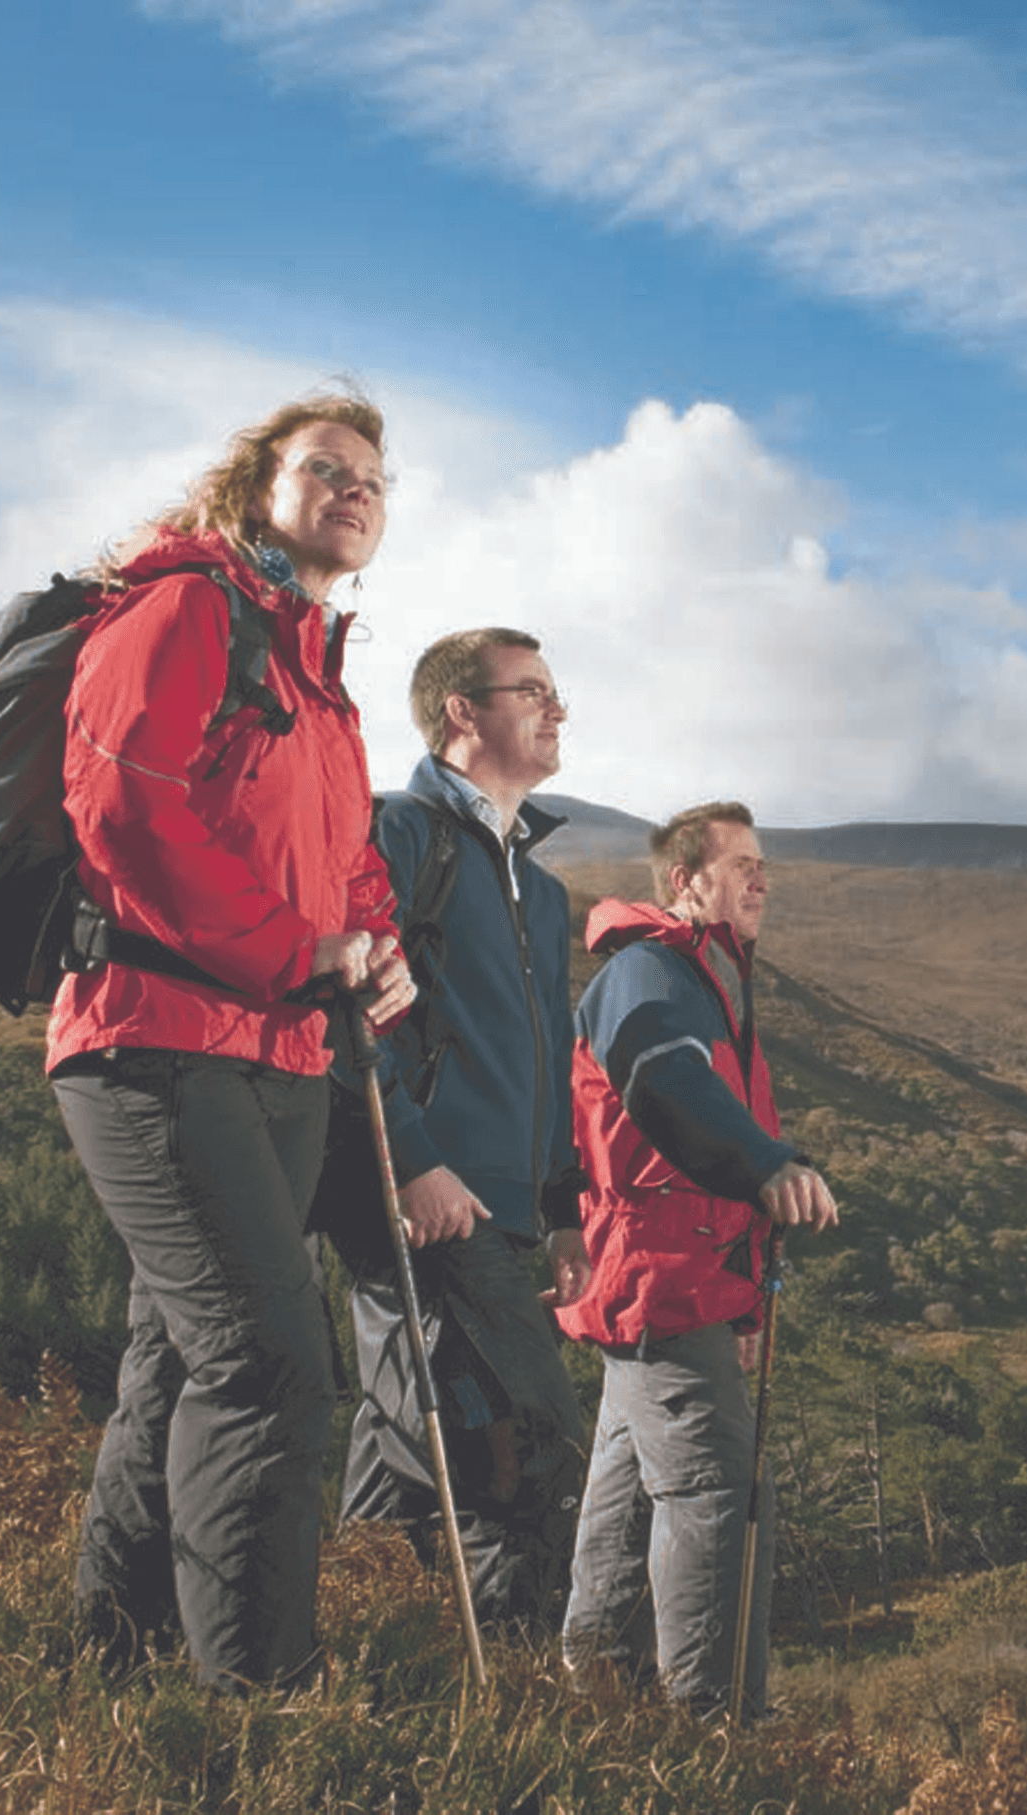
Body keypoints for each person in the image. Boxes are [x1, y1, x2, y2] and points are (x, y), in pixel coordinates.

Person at [51, 390, 416, 1692]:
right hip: (154, 1034)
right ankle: (260, 1702)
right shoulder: (186, 605)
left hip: (281, 1058)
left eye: (373, 479)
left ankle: (119, 1666)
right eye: (326, 467)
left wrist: (375, 944)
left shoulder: (317, 667)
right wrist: (285, 948)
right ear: (259, 484)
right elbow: (122, 805)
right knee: (270, 1364)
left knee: (180, 1360)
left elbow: (345, 861)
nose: (354, 490)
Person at [322, 627, 592, 1638]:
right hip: (423, 1194)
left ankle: (359, 1685)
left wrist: (562, 1209)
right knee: (526, 1453)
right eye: (532, 690)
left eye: (556, 692)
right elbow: (346, 1011)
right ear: (460, 714)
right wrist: (416, 1158)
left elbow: (554, 1056)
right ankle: (503, 1718)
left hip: (497, 1206)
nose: (556, 709)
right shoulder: (400, 834)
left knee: (408, 1456)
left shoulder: (547, 889)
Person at [557, 801, 840, 1717]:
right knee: (721, 1493)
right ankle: (714, 1740)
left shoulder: (701, 982)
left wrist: (746, 1309)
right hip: (658, 1283)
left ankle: (594, 1691)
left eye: (765, 865)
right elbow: (662, 1080)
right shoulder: (649, 975)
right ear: (686, 882)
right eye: (742, 864)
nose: (761, 879)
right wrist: (770, 1162)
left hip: (677, 1283)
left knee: (632, 1494)